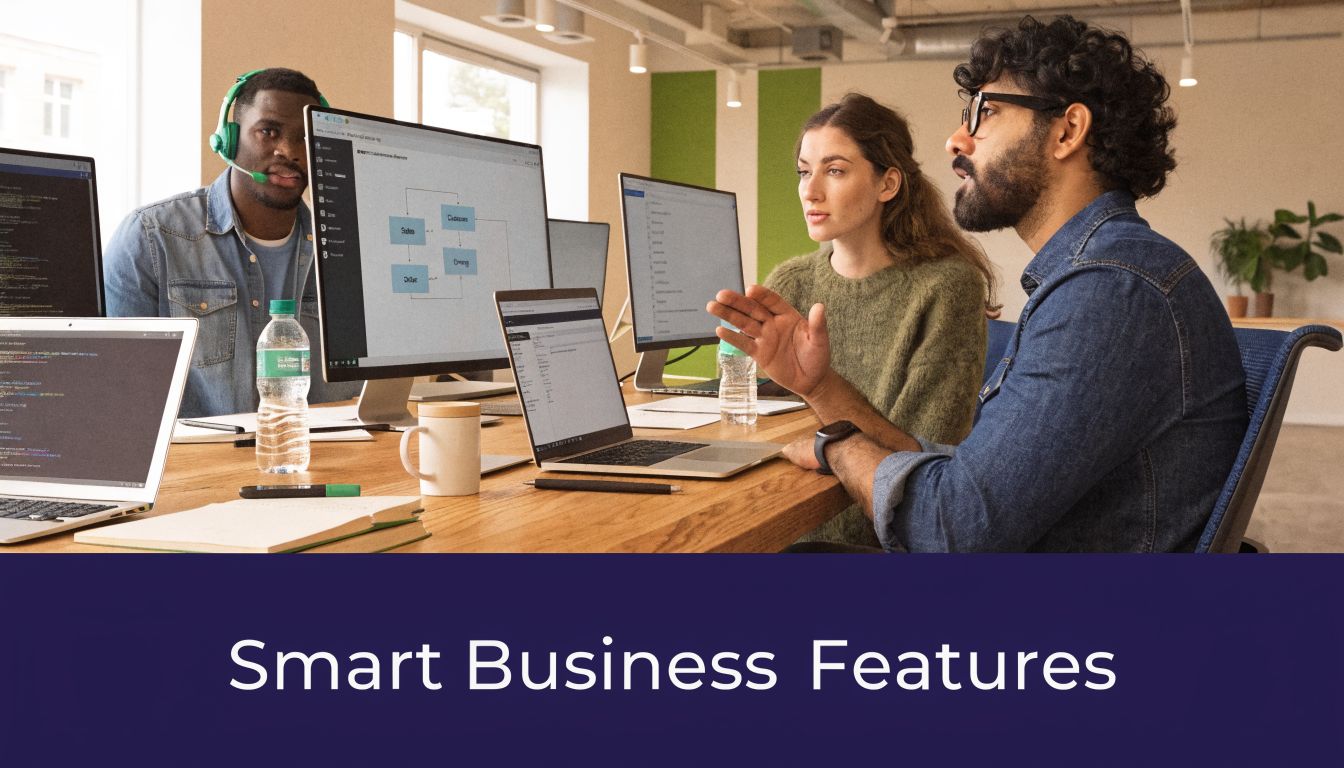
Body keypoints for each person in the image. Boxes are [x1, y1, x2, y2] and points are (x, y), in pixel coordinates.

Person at [708, 15, 1247, 552]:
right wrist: (822, 387)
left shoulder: (1109, 291)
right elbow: (975, 479)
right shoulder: (1102, 276)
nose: (955, 140)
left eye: (986, 112)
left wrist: (837, 446)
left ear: (1067, 131)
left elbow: (953, 530)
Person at [767, 93, 997, 548]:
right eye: (804, 171)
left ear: (887, 184)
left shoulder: (946, 287)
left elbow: (921, 462)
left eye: (835, 171)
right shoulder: (788, 283)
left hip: (879, 542)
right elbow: (764, 431)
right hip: (782, 523)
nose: (810, 191)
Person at [104, 68, 360, 417]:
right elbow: (121, 394)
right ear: (228, 139)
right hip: (199, 453)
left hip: (316, 449)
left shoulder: (345, 248)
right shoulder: (150, 238)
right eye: (269, 131)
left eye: (304, 137)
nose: (289, 151)